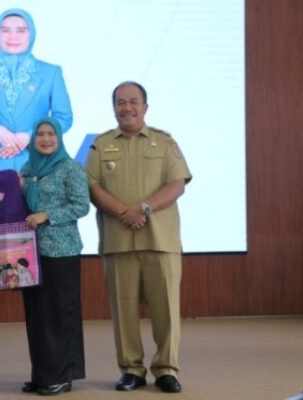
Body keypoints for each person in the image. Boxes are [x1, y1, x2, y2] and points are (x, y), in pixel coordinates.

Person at [85, 81, 192, 394]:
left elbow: (177, 184)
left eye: (133, 101)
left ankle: (166, 369)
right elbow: (92, 187)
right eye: (120, 102)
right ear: (113, 108)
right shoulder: (100, 145)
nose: (127, 107)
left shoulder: (165, 142)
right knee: (124, 310)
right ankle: (131, 369)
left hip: (161, 241)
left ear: (145, 107)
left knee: (166, 309)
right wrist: (125, 212)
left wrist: (143, 208)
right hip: (118, 241)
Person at [19, 117, 90, 396]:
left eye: (51, 134)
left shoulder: (70, 167)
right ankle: (42, 375)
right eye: (40, 134)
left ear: (59, 138)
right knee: (38, 314)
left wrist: (46, 215)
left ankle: (62, 376)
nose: (46, 139)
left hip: (62, 251)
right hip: (31, 252)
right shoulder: (27, 169)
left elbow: (81, 206)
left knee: (61, 315)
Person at [0, 8, 73, 173]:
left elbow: (64, 118)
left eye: (21, 30)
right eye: (6, 30)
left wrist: (31, 136)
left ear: (31, 34)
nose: (12, 36)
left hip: (37, 160)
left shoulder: (51, 73)